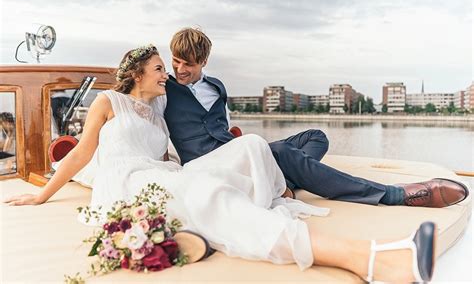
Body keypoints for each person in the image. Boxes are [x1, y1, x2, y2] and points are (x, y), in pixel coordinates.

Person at [4, 45, 436, 282]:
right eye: (159, 69)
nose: (165, 75)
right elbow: (82, 153)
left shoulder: (158, 113)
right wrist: (41, 195)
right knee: (208, 192)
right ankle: (371, 259)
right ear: (137, 74)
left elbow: (170, 153)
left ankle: (258, 198)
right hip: (127, 184)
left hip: (161, 174)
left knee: (249, 149)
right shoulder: (108, 101)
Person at [164, 27, 468, 208]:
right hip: (210, 163)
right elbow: (149, 126)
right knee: (283, 152)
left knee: (315, 137)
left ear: (203, 61)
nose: (179, 69)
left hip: (239, 152)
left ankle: (285, 185)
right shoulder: (164, 89)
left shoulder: (217, 87)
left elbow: (224, 125)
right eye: (175, 61)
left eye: (187, 64)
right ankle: (393, 195)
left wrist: (237, 139)